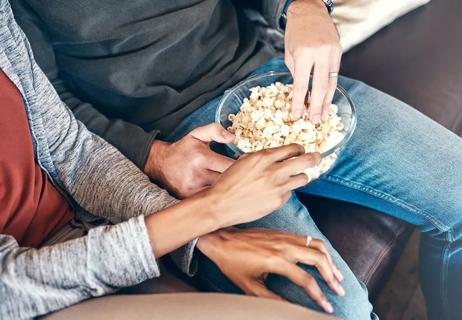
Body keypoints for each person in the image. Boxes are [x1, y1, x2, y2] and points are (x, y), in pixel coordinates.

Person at [8, 0, 462, 319]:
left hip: (264, 78)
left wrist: (304, 5)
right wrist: (153, 157)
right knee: (337, 310)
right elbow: (52, 112)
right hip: (171, 142)